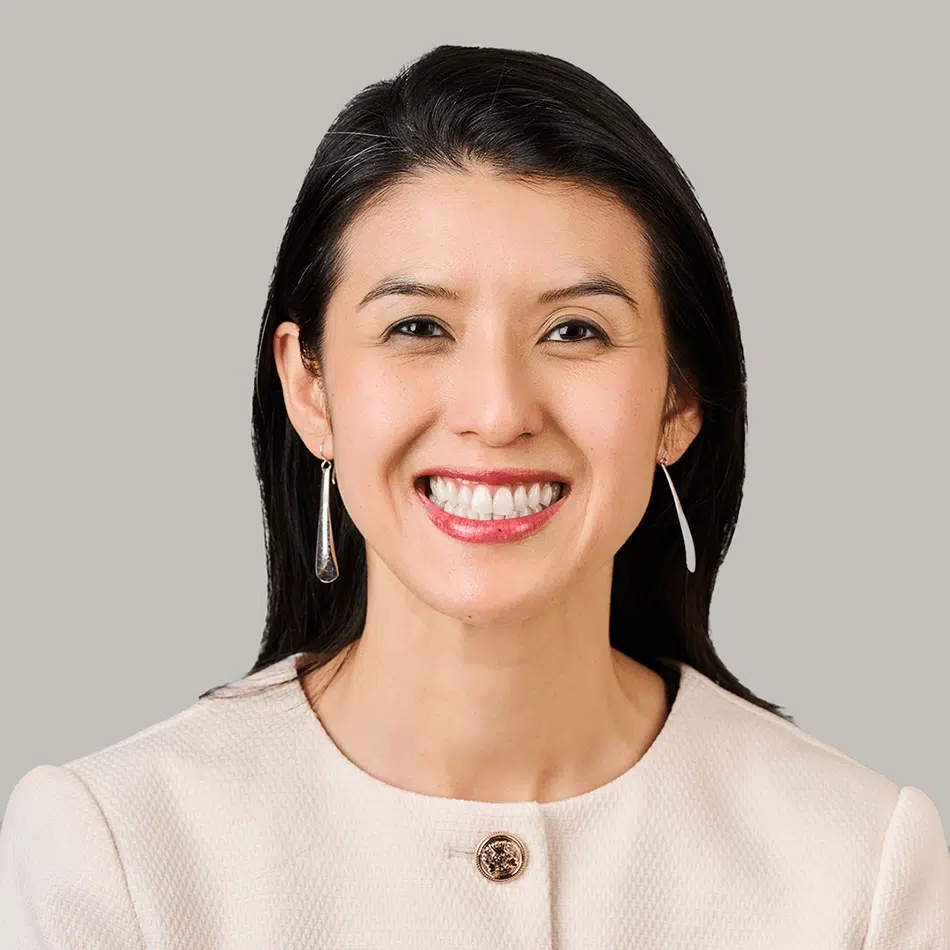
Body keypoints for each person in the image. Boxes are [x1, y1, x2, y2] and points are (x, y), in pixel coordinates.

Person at [1, 43, 947, 949]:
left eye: (575, 331)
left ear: (679, 400)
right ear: (310, 388)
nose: (497, 414)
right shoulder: (115, 854)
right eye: (418, 326)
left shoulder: (861, 867)